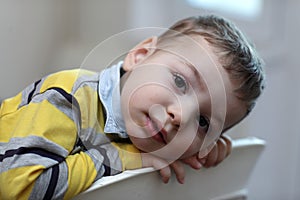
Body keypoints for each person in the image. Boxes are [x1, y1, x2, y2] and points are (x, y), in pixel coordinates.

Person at [0, 14, 265, 200]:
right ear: (140, 56)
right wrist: (123, 158)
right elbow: (20, 189)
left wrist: (202, 163)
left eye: (204, 122)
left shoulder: (162, 142)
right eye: (179, 81)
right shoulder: (69, 97)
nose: (181, 116)